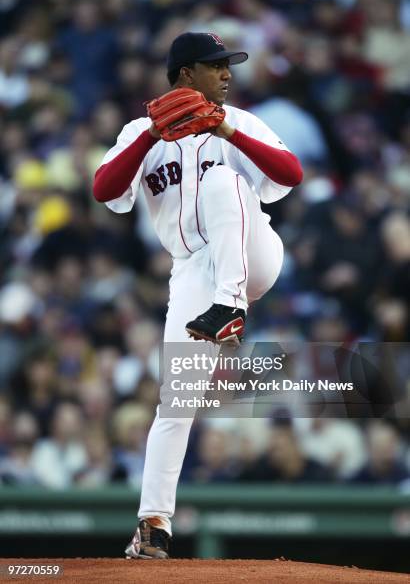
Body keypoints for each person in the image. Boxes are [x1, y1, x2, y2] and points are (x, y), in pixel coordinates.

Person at [93, 32, 303, 559]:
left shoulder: (241, 121)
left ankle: (232, 306)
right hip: (193, 274)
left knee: (220, 183)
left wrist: (227, 129)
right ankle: (153, 525)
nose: (227, 74)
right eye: (216, 66)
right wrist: (149, 137)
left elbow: (291, 174)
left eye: (227, 65)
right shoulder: (141, 131)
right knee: (175, 401)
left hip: (254, 257)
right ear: (186, 74)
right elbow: (104, 189)